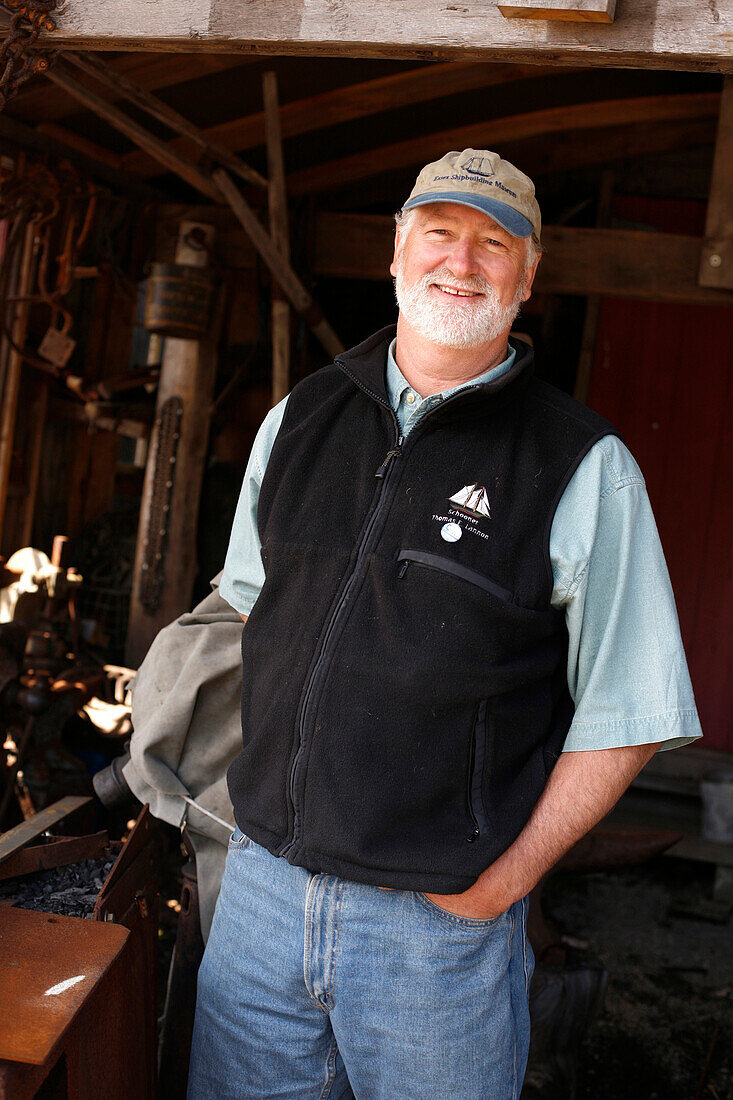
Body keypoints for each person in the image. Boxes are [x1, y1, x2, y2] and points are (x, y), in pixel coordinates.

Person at [187, 149, 701, 1100]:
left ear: (528, 274)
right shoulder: (299, 418)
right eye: (439, 232)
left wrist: (499, 889)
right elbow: (255, 612)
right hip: (260, 897)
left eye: (493, 242)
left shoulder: (581, 464)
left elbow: (628, 712)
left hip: (432, 932)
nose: (460, 262)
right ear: (395, 252)